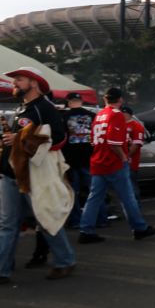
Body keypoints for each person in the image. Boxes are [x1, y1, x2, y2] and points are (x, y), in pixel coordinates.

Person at [0, 67, 78, 285]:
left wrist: (20, 138)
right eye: (14, 80)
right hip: (13, 174)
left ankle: (65, 261)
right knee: (8, 223)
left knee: (44, 218)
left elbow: (59, 138)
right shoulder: (22, 108)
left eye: (18, 79)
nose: (14, 83)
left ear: (34, 83)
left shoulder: (45, 108)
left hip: (34, 174)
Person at [76, 87, 155, 244]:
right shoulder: (116, 115)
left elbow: (93, 140)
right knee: (127, 198)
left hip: (98, 161)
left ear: (105, 99)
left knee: (94, 198)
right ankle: (139, 228)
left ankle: (85, 229)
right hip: (113, 162)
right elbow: (114, 143)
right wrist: (124, 157)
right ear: (120, 100)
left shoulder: (99, 115)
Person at [61, 93, 95, 228]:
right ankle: (97, 218)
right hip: (89, 157)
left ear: (69, 102)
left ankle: (75, 220)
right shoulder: (92, 116)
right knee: (94, 191)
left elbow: (61, 138)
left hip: (71, 159)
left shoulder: (64, 117)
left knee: (72, 192)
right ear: (81, 101)